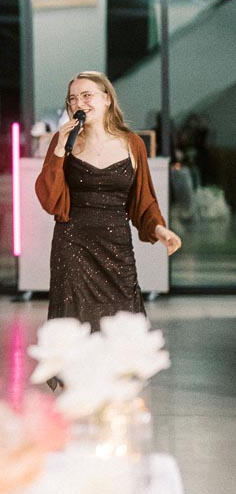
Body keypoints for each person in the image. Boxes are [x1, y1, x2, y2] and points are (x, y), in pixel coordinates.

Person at [35, 70, 181, 331]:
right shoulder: (63, 143)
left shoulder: (132, 143)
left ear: (107, 100)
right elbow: (48, 198)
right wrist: (58, 150)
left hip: (116, 248)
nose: (79, 104)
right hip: (73, 246)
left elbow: (143, 200)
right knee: (73, 326)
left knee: (123, 322)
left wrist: (160, 230)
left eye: (86, 96)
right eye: (72, 99)